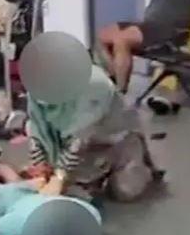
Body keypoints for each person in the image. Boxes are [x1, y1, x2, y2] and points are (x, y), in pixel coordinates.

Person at [26, 64, 163, 203]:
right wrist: (40, 165)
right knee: (68, 189)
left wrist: (59, 176)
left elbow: (80, 138)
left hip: (117, 138)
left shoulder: (94, 85)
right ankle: (92, 176)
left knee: (124, 191)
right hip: (82, 145)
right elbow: (36, 125)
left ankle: (141, 165)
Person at [0, 148, 102, 235]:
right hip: (26, 198)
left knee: (6, 183)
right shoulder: (19, 228)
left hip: (33, 194)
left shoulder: (20, 228)